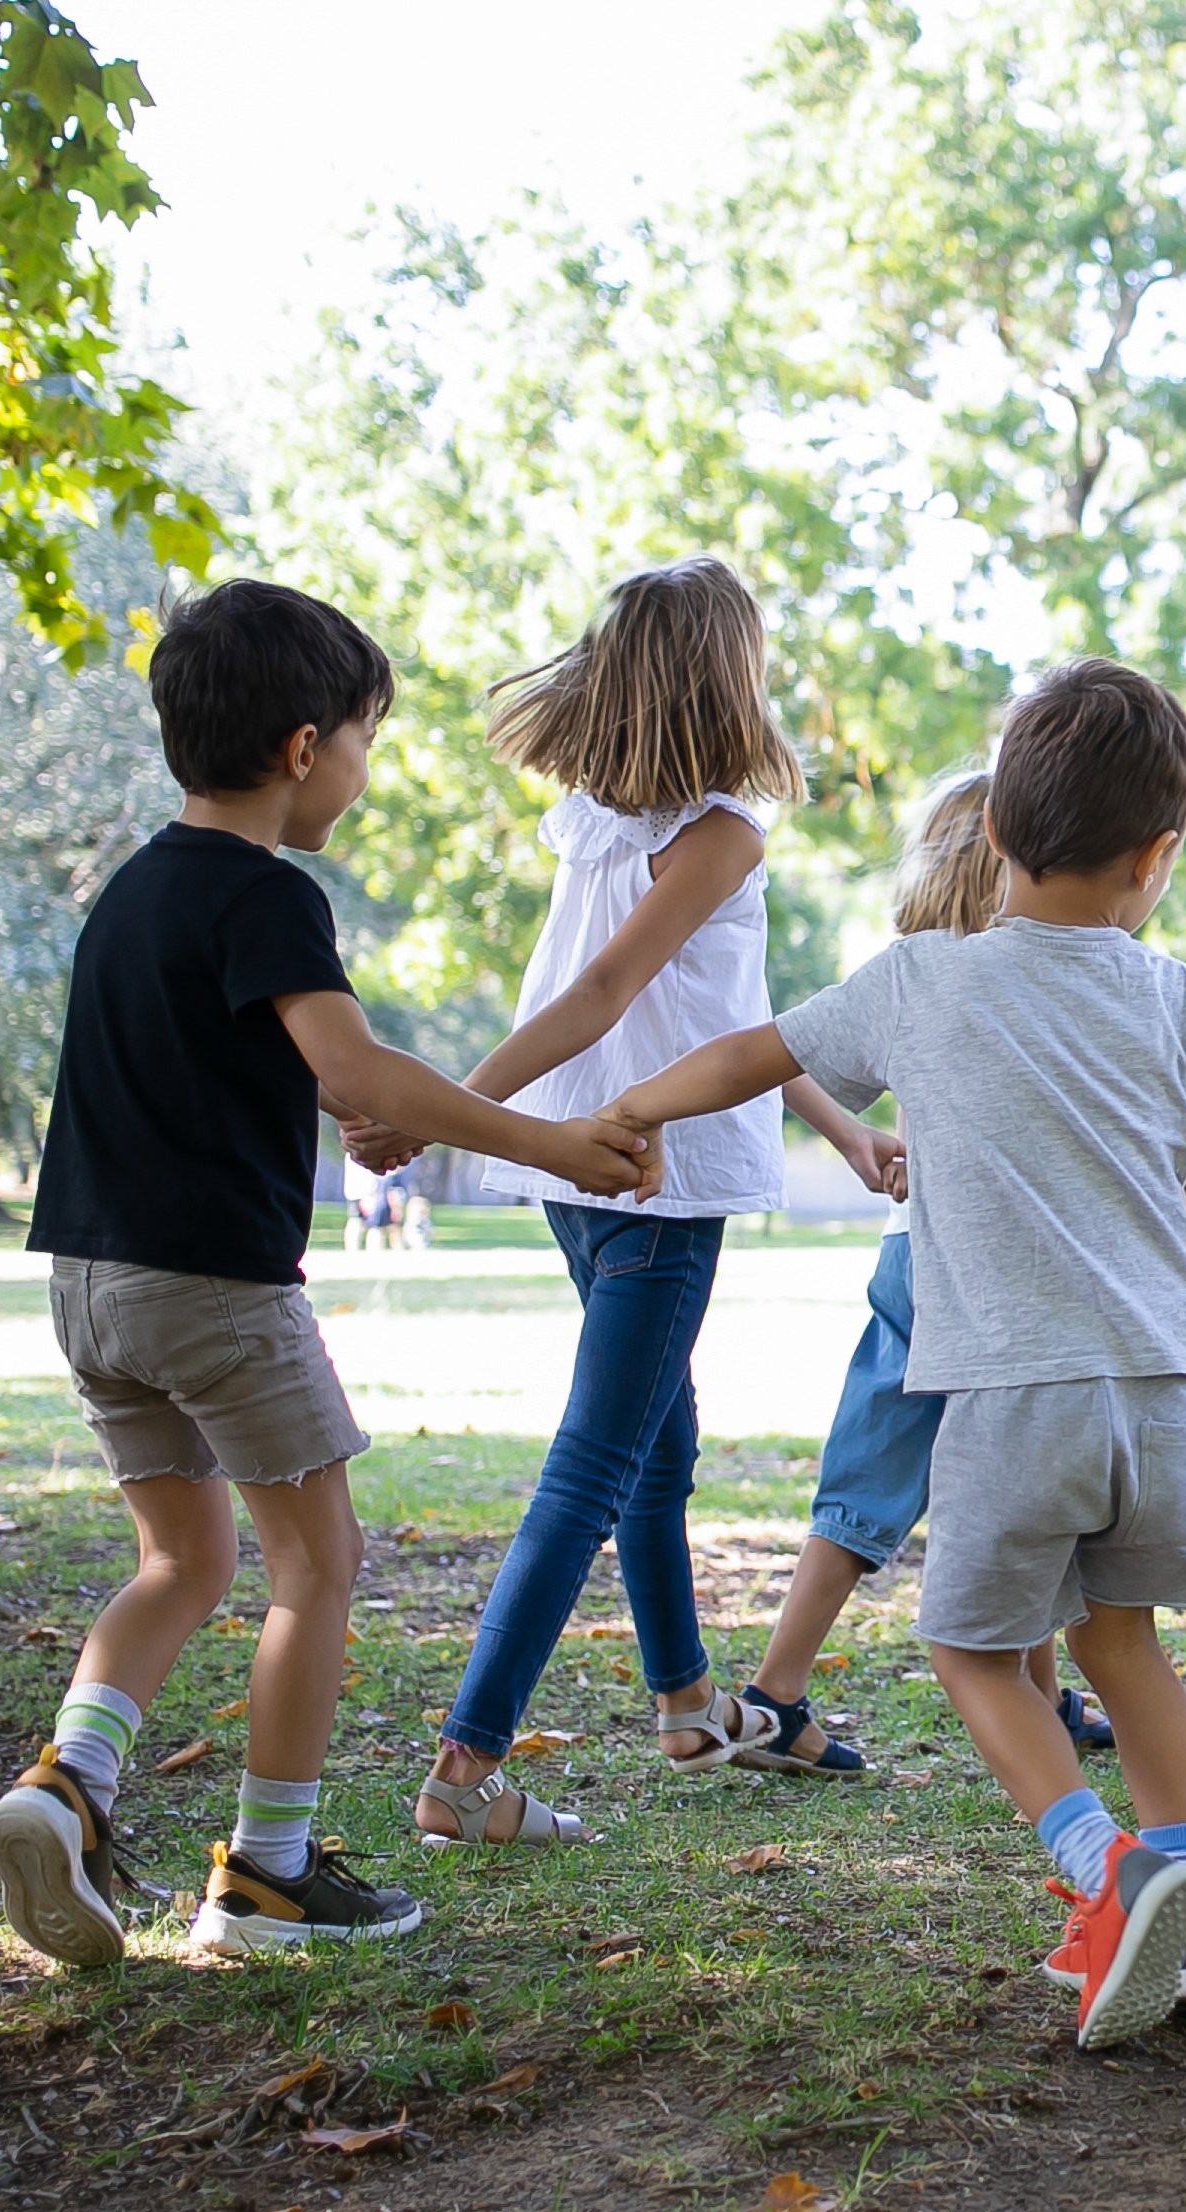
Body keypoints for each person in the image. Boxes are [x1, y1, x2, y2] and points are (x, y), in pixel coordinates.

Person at [598, 657, 1186, 2049]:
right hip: (1172, 1396)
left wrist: (634, 1107)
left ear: (993, 838)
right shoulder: (1175, 993)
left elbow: (752, 1054)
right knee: (1119, 1641)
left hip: (1017, 1395)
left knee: (966, 1645)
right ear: (1159, 856)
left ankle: (1107, 1868)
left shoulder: (917, 981)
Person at [0, 578, 650, 1969]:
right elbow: (354, 1070)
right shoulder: (268, 895)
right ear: (302, 749)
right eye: (361, 738)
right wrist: (552, 1141)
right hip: (214, 1291)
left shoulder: (129, 893)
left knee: (179, 1557)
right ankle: (269, 1871)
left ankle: (70, 1783)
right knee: (315, 1564)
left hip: (89, 1286)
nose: (360, 766)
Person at [350, 557, 901, 1849]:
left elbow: (725, 1014)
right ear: (729, 675)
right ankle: (464, 1765)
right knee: (598, 1462)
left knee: (660, 1439)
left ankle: (685, 1701)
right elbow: (602, 996)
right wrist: (436, 1104)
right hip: (654, 1173)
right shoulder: (715, 832)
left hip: (577, 1167)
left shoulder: (598, 821)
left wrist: (837, 1120)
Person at [727, 770, 1116, 1784]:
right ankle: (776, 1694)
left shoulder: (914, 969)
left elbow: (783, 1047)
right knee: (1009, 1471)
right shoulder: (1035, 972)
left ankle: (788, 1688)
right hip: (989, 1265)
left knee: (894, 1475)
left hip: (916, 1248)